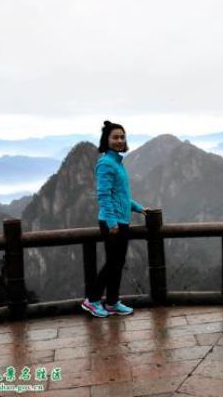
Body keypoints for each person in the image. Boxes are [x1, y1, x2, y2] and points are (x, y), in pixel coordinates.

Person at [81, 120, 146, 318]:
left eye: (122, 137)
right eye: (115, 137)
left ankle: (111, 302)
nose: (119, 140)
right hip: (113, 223)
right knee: (112, 264)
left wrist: (139, 208)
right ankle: (92, 301)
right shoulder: (105, 164)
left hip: (122, 221)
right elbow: (104, 195)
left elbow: (121, 195)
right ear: (106, 140)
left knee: (117, 264)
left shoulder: (117, 162)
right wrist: (111, 223)